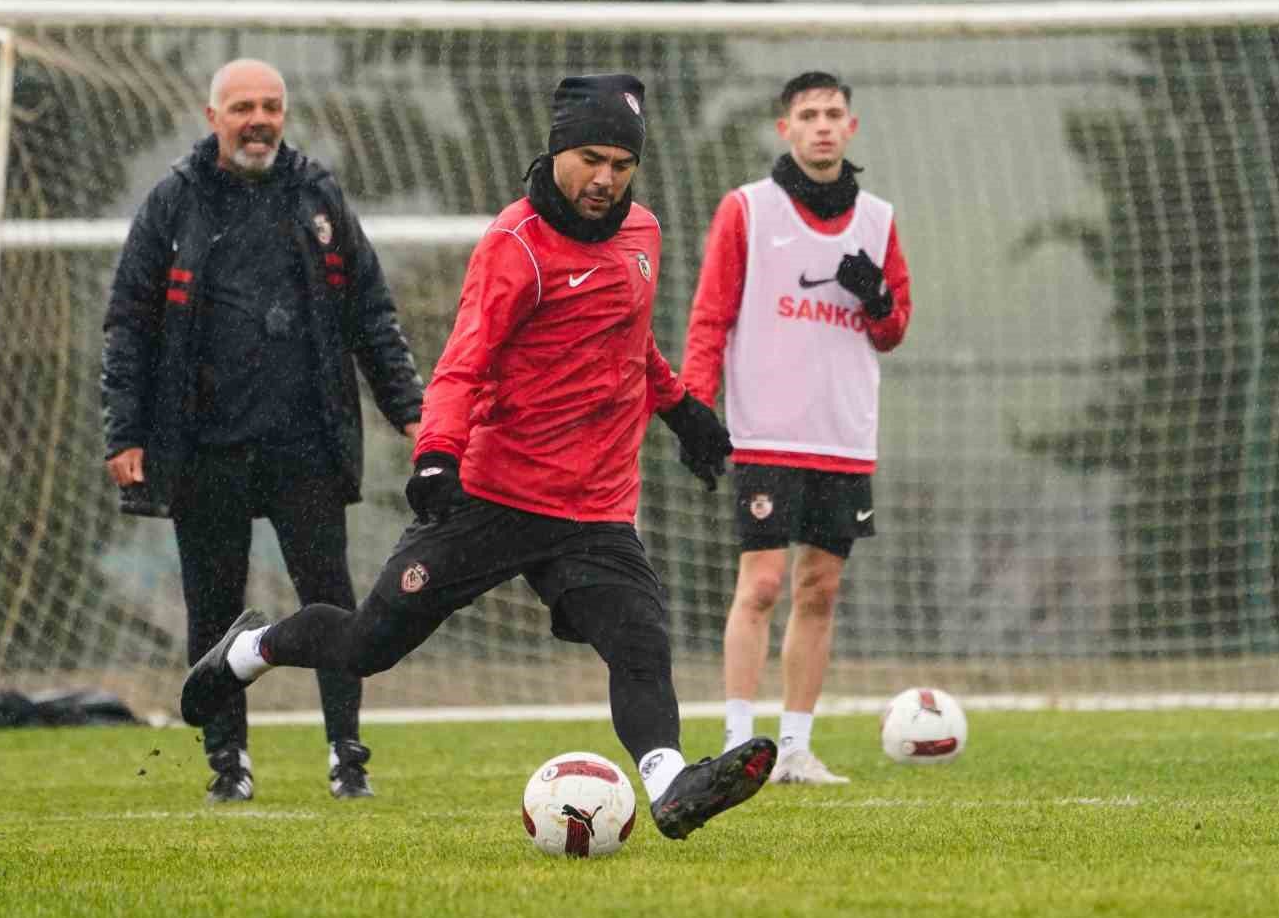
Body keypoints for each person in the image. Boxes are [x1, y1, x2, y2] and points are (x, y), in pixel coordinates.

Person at [180, 73, 777, 839]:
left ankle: (668, 783)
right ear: (557, 150)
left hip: (592, 505)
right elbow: (464, 362)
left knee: (639, 638)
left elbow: (628, 342)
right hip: (493, 495)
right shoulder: (515, 246)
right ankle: (249, 650)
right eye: (590, 159)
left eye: (621, 166)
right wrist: (436, 455)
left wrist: (682, 410)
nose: (604, 180)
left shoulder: (643, 237)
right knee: (368, 645)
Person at [101, 58, 425, 804]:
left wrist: (410, 411)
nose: (259, 119)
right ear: (211, 115)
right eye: (244, 105)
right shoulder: (172, 204)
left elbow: (371, 315)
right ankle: (228, 766)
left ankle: (348, 756)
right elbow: (128, 326)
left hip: (306, 444)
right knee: (214, 609)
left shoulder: (318, 196)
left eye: (272, 105)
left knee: (333, 606)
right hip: (203, 448)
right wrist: (126, 433)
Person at [680, 71, 912, 785]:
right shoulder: (748, 209)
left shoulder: (877, 219)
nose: (821, 125)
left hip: (842, 435)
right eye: (807, 114)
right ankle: (736, 740)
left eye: (833, 113)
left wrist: (875, 297)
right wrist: (694, 406)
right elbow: (711, 314)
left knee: (821, 589)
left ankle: (795, 747)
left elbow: (894, 329)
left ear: (852, 127)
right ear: (784, 128)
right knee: (763, 583)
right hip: (767, 433)